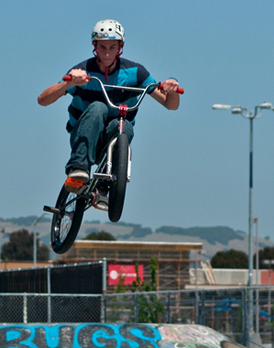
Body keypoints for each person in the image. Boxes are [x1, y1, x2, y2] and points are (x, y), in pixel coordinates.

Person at [37, 20, 180, 210]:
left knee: (123, 125)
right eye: (102, 47)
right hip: (84, 136)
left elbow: (170, 105)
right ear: (94, 47)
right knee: (98, 107)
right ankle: (78, 167)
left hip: (113, 139)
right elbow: (43, 100)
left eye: (112, 47)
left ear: (120, 47)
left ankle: (104, 188)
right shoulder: (83, 71)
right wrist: (69, 83)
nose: (106, 53)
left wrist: (173, 89)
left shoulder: (135, 73)